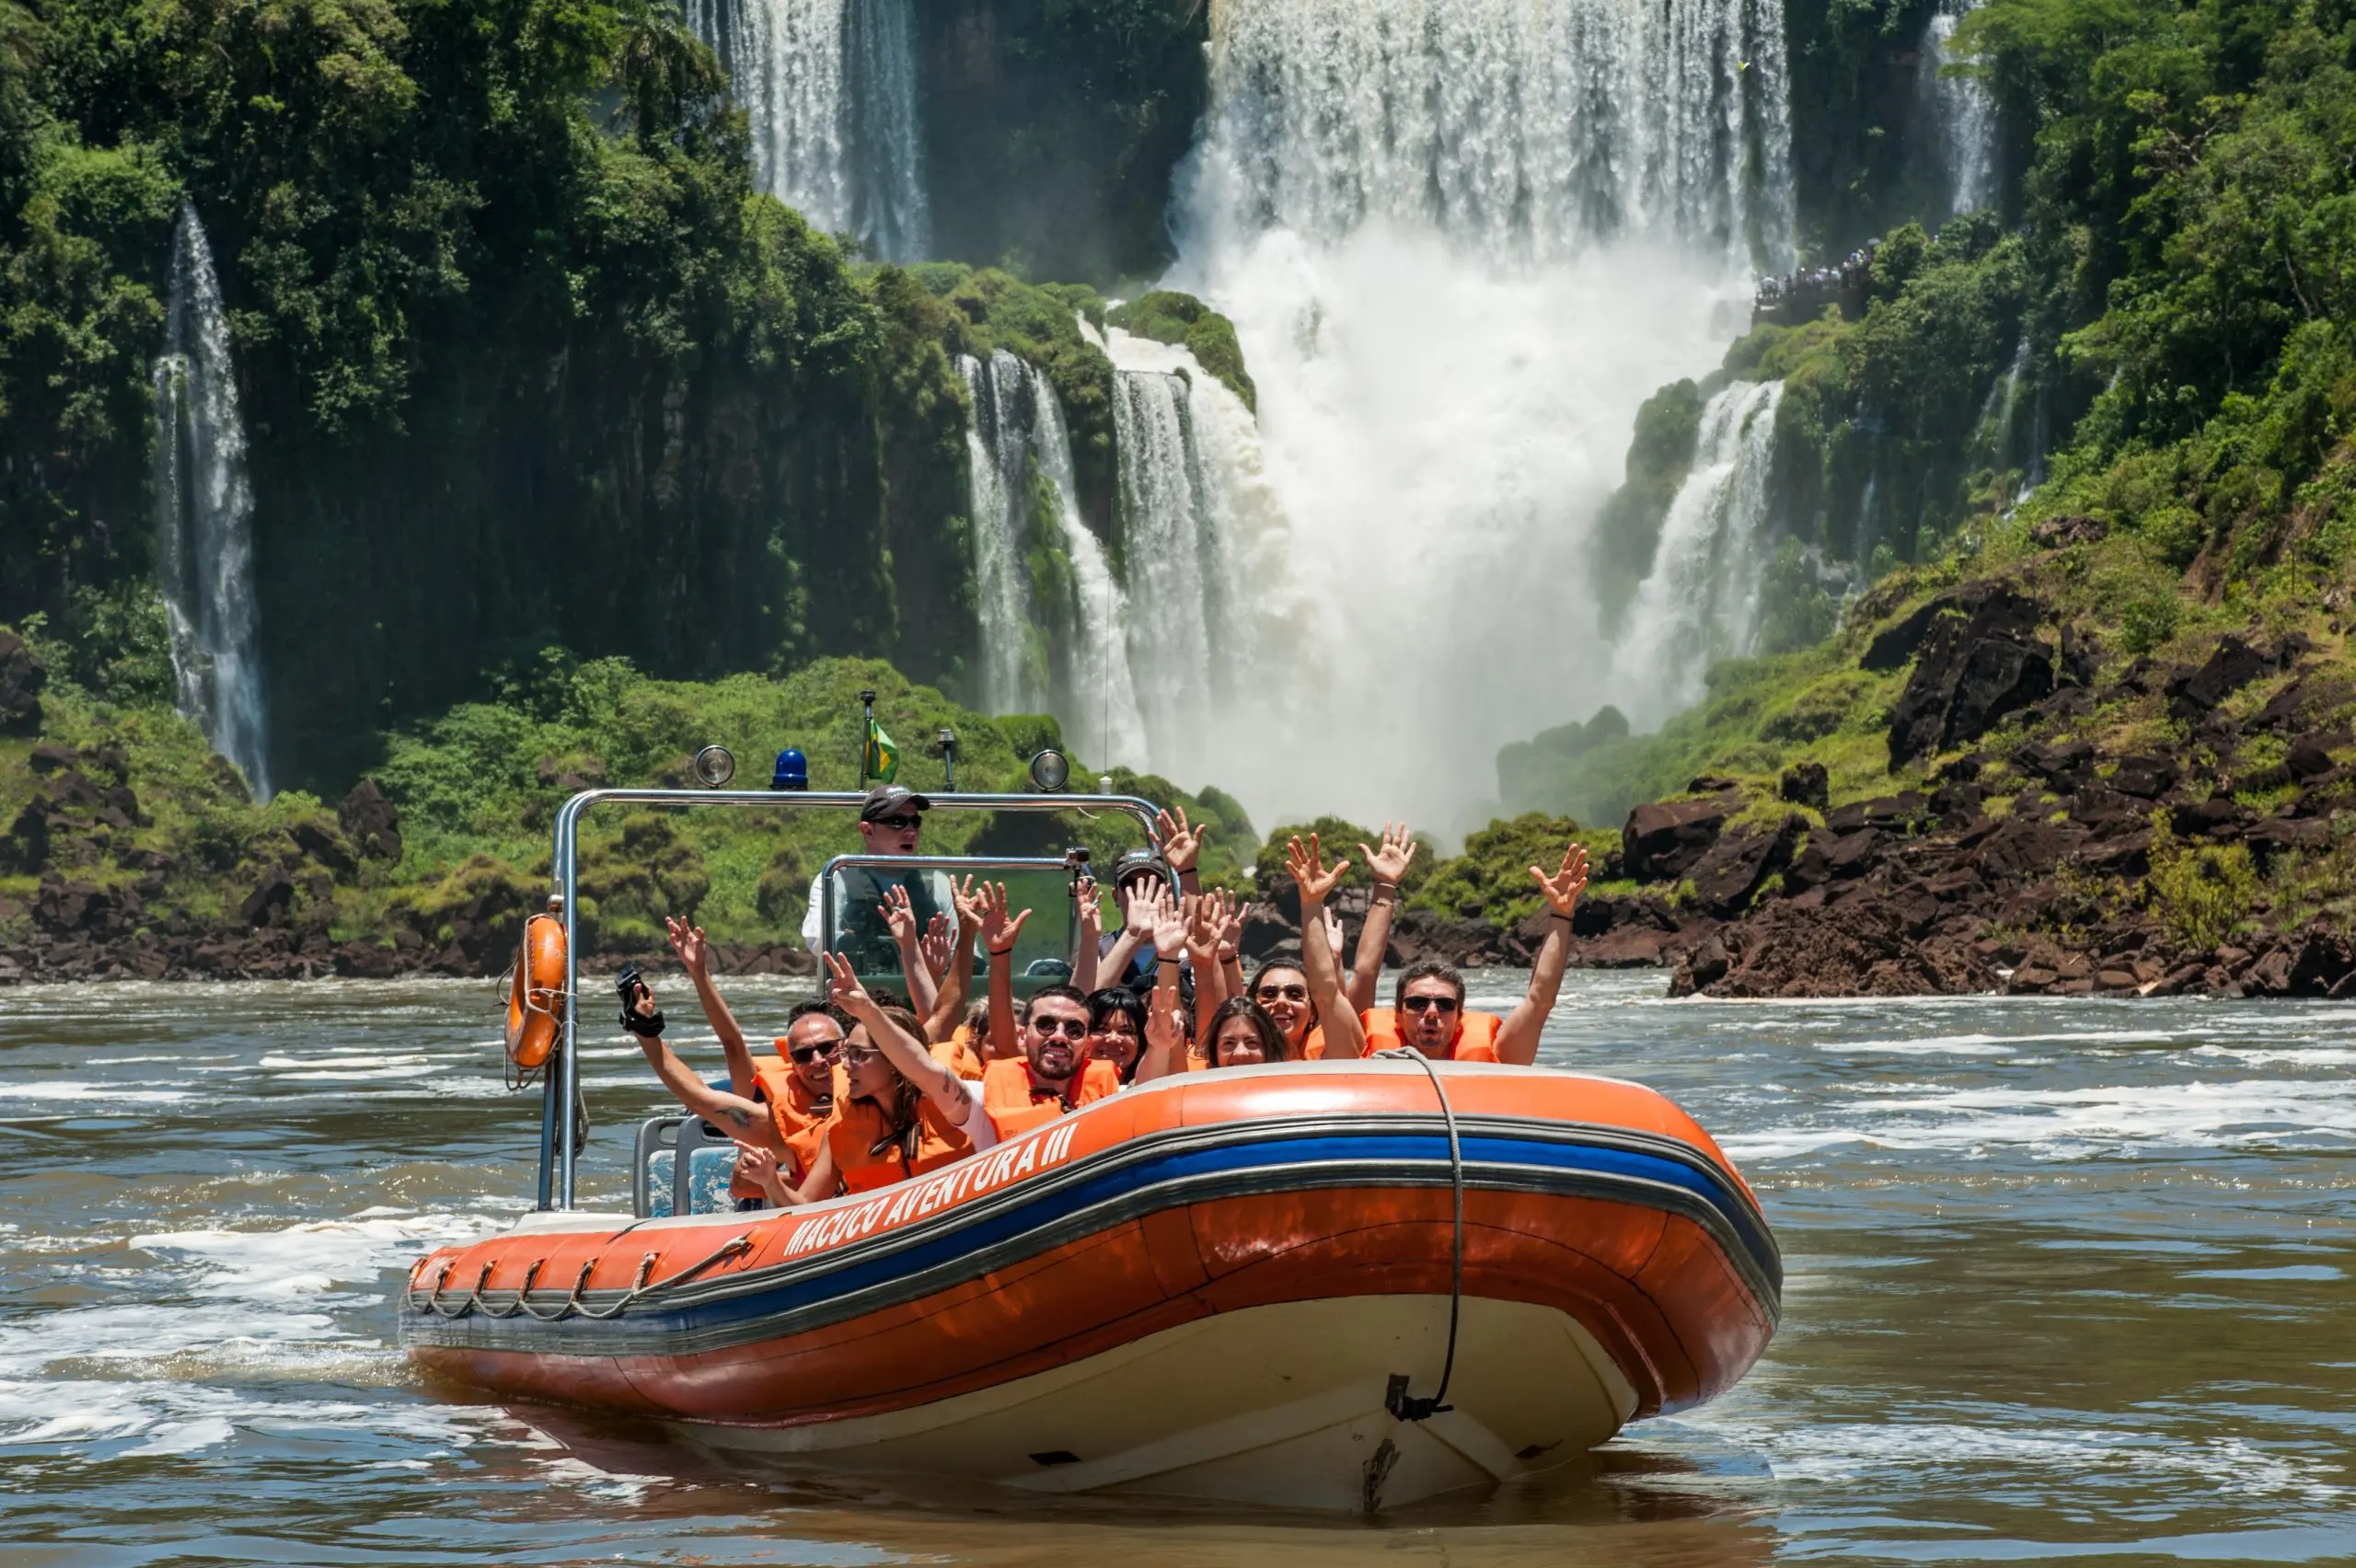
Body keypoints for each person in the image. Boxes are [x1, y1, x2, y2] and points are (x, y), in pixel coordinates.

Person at [1288, 831, 1589, 1066]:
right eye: (1418, 1003)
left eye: (1444, 1005)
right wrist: (1311, 902)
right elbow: (1326, 991)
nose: (1431, 1013)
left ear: (1459, 1018)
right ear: (1397, 1015)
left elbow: (1540, 1000)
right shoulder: (1358, 1053)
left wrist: (1561, 915)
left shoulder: (1495, 1057)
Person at [740, 952, 998, 1203]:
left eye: (858, 1055)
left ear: (894, 1060)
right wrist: (770, 1181)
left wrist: (867, 1010)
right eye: (846, 1053)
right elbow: (804, 1204)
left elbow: (925, 1056)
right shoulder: (843, 1127)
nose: (844, 1065)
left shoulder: (949, 1100)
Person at [664, 916, 840, 1205]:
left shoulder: (864, 1089)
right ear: (792, 1060)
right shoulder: (767, 1103)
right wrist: (699, 972)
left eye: (827, 1047)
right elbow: (732, 1044)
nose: (818, 1060)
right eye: (803, 1053)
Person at [801, 784, 954, 970]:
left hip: (925, 998)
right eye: (897, 822)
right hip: (854, 995)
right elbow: (819, 942)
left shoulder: (939, 883)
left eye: (915, 821)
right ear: (867, 831)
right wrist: (853, 942)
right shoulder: (834, 879)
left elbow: (967, 954)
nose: (911, 831)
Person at [980, 982, 1121, 1136]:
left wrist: (1154, 1047)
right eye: (1046, 1025)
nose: (1059, 1036)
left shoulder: (1115, 1095)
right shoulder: (980, 1095)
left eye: (1074, 1030)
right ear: (1022, 1037)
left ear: (1088, 1046)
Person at [1197, 996, 1293, 1068]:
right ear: (1215, 1052)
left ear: (1270, 1048)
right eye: (1228, 1043)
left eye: (1252, 1042)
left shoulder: (1294, 1092)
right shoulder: (1197, 1093)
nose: (1241, 1052)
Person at [1083, 986, 1149, 1083]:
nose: (1113, 1039)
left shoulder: (1150, 1086)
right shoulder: (1061, 1088)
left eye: (1125, 1031)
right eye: (1102, 1029)